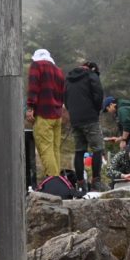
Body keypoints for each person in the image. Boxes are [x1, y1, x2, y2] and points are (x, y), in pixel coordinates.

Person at [64, 60, 107, 191]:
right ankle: (96, 182)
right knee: (98, 149)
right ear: (93, 69)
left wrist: (72, 113)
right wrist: (96, 111)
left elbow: (65, 98)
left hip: (75, 120)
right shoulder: (91, 75)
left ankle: (81, 184)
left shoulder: (69, 79)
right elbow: (99, 95)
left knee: (79, 151)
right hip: (90, 118)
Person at [26, 48, 65, 180]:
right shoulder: (58, 70)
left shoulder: (37, 65)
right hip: (58, 115)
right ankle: (58, 182)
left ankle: (53, 181)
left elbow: (33, 87)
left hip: (44, 114)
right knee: (55, 150)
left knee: (45, 148)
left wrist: (30, 107)